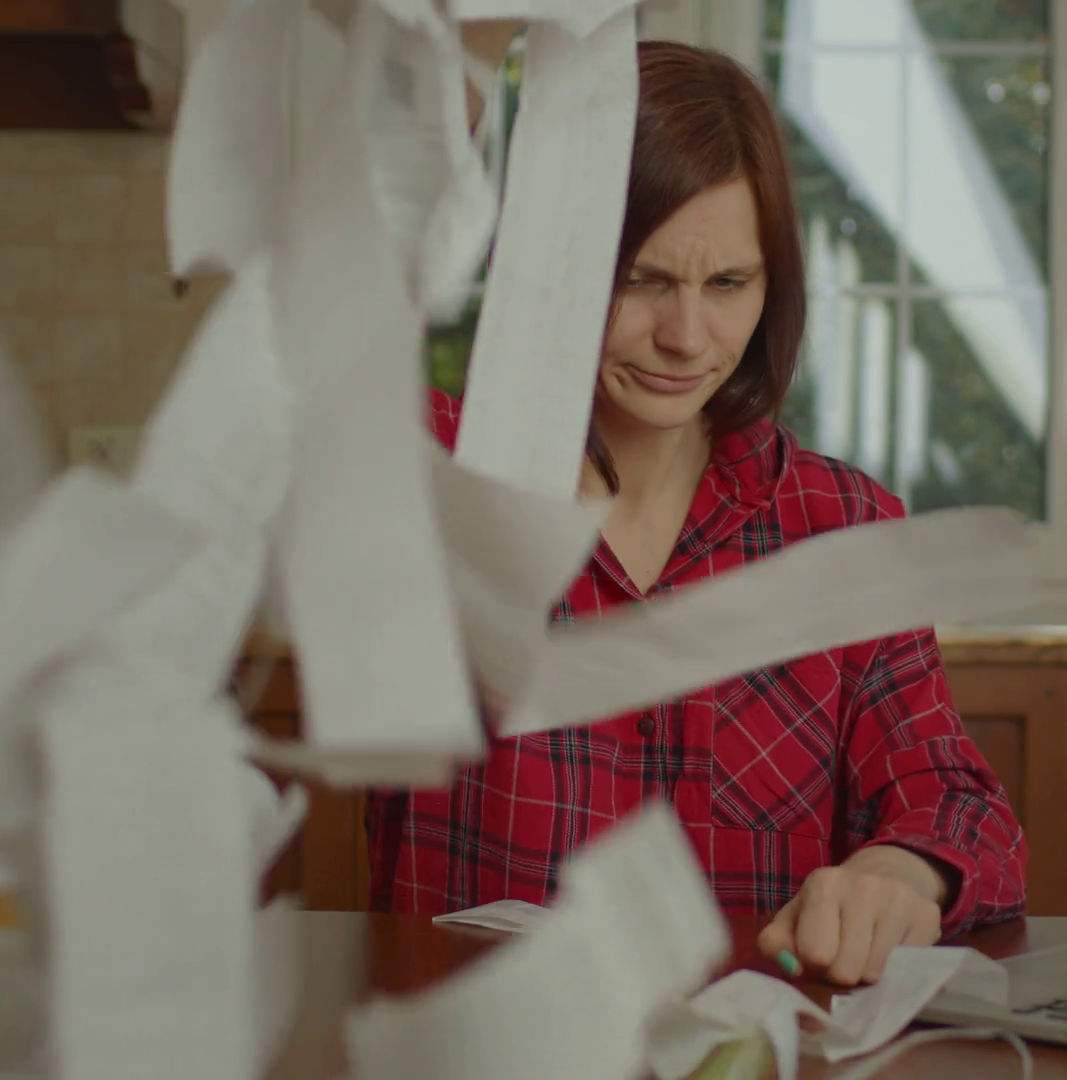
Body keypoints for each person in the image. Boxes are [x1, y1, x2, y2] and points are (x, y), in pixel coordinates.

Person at [367, 35, 1027, 987]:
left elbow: (962, 808)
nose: (685, 338)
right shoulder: (431, 476)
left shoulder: (843, 525)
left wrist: (899, 872)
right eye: (641, 279)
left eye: (727, 284)